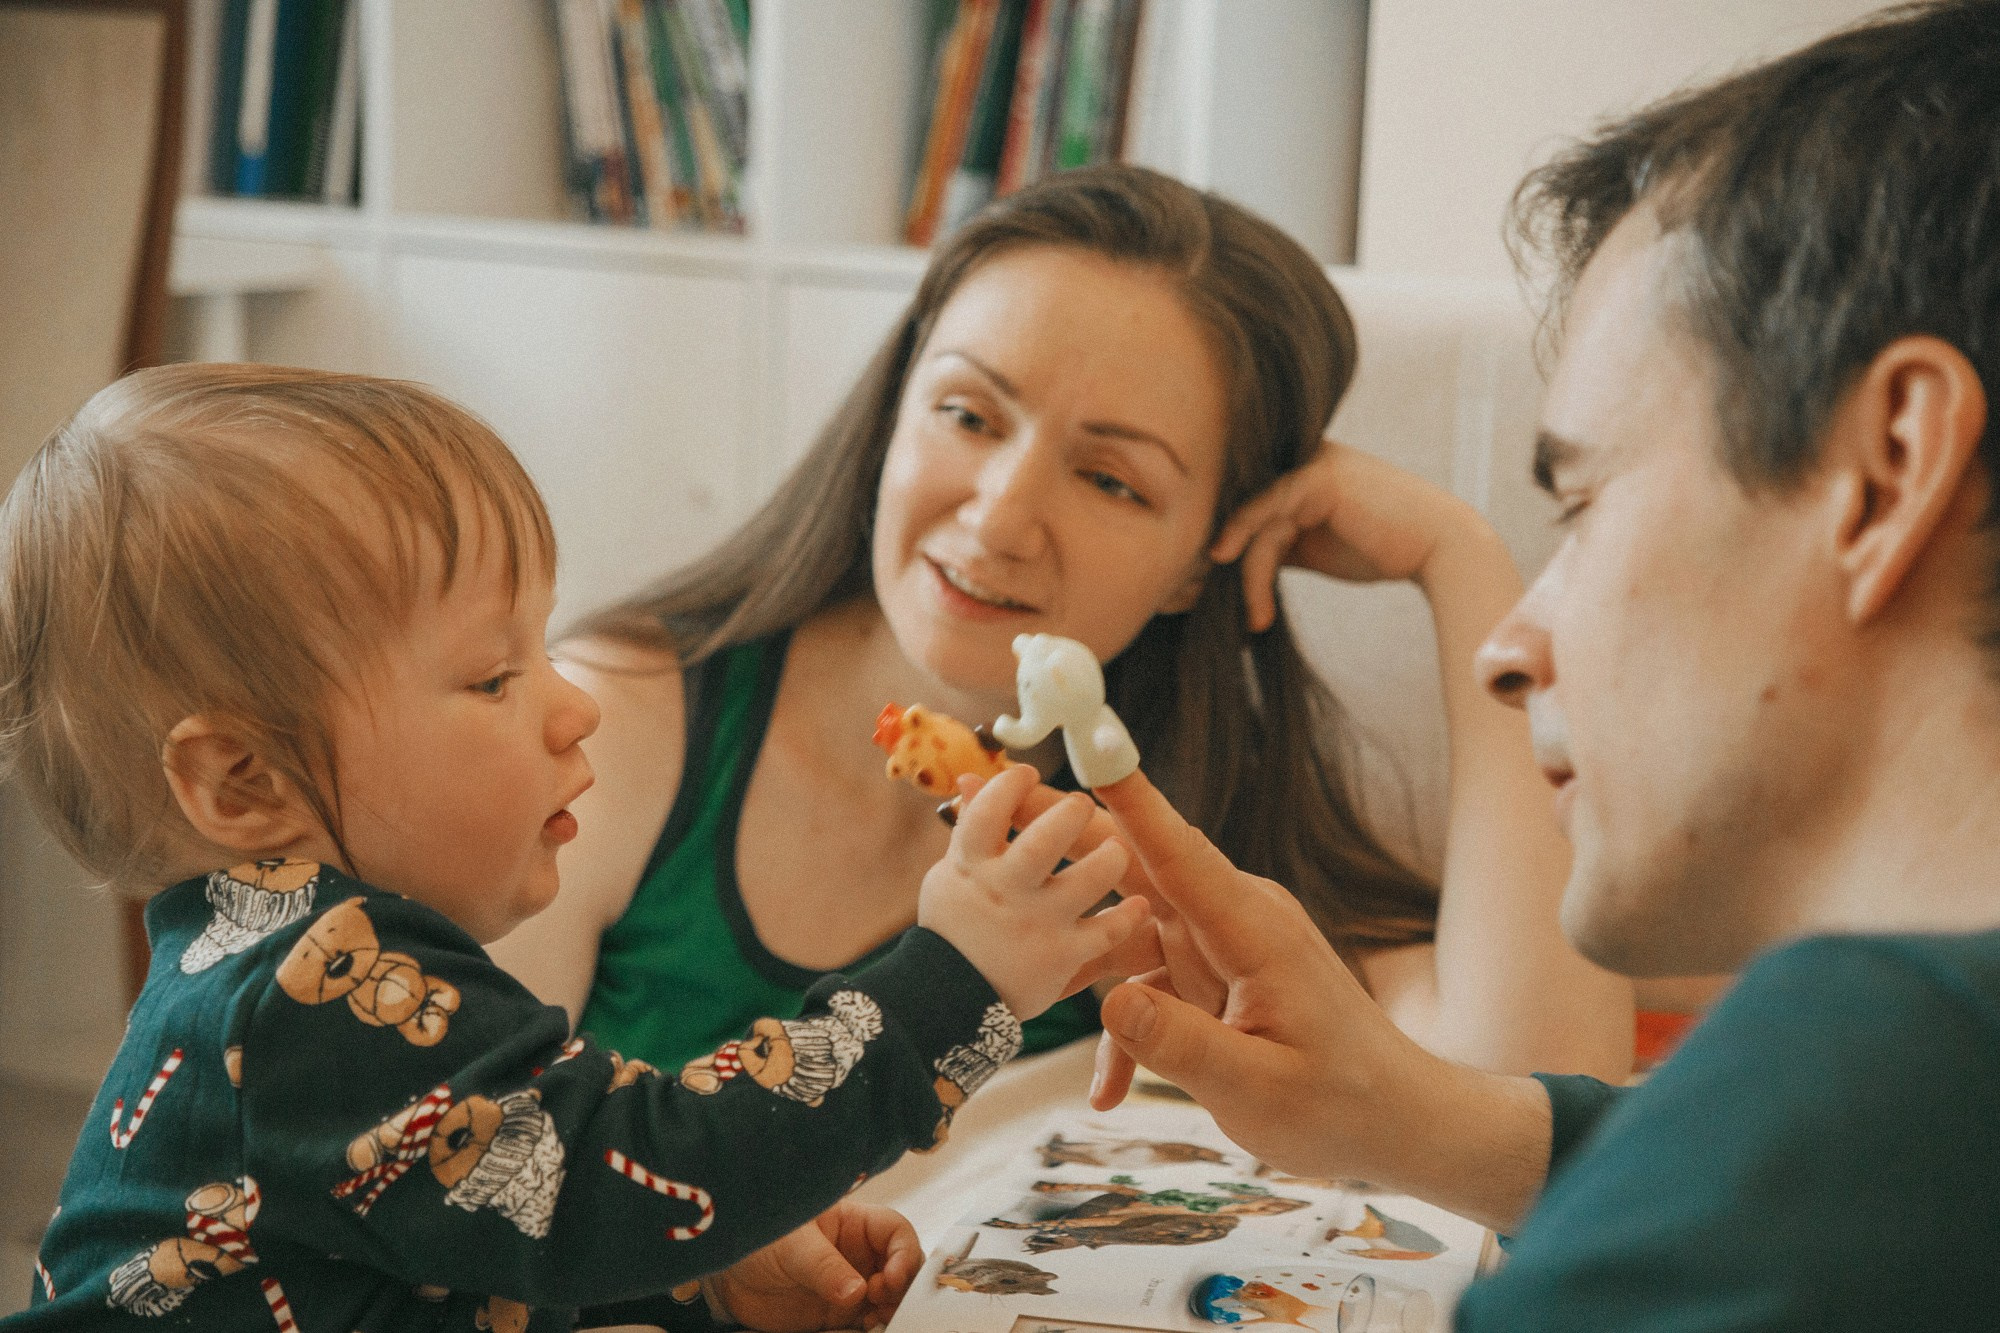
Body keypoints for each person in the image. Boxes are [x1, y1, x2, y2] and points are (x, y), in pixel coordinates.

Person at [1081, 2, 2000, 1326]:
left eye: (1585, 503)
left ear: (1888, 472)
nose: (1511, 652)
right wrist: (1413, 1119)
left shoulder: (1859, 1076)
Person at [0, 365, 1147, 1332]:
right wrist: (959, 972)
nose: (572, 705)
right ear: (243, 782)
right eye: (494, 677)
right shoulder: (306, 992)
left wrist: (702, 1271)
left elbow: (480, 1242)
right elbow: (637, 1165)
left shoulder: (295, 973)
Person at [490, 164, 1632, 1086]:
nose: (998, 515)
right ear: (892, 410)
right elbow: (446, 1171)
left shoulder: (1193, 855)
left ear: (1202, 558)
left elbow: (1536, 1090)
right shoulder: (610, 725)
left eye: (1111, 481)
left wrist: (1460, 561)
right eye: (966, 413)